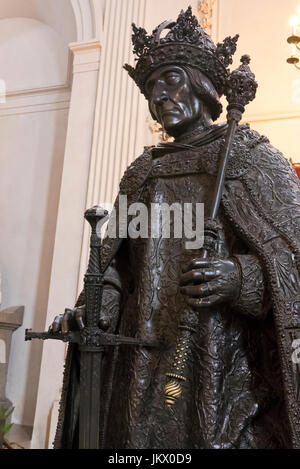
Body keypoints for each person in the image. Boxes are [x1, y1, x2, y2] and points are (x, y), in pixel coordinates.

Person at [51, 7, 300, 449]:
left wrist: (239, 277)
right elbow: (116, 265)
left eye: (171, 80)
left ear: (202, 86)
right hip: (138, 358)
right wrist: (99, 306)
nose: (160, 96)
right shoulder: (143, 172)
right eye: (151, 88)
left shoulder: (250, 157)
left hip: (218, 363)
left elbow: (293, 258)